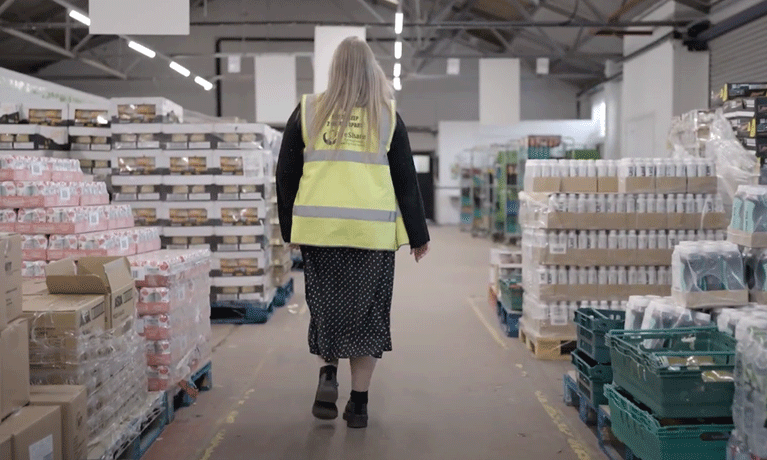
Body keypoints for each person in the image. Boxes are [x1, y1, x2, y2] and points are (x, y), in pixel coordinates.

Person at [276, 36, 430, 429]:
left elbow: (286, 173)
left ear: (335, 70)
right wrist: (418, 235)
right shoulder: (387, 117)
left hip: (320, 235)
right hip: (371, 238)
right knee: (369, 319)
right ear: (371, 69)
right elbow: (406, 181)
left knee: (326, 312)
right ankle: (358, 405)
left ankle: (328, 375)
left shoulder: (308, 111)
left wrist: (289, 228)